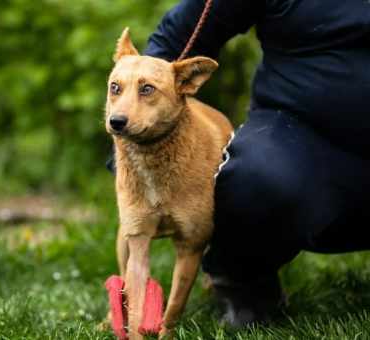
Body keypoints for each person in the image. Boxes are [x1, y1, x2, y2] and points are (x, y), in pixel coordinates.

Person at [107, 0, 370, 327]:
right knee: (253, 179)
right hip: (298, 129)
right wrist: (133, 142)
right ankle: (245, 283)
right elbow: (180, 35)